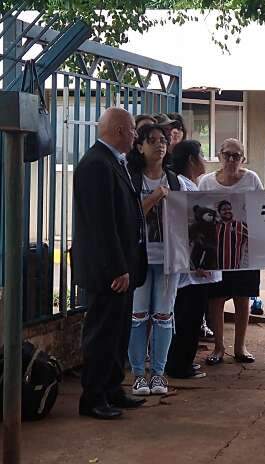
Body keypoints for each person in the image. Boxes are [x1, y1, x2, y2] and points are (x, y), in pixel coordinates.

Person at [73, 107, 147, 419]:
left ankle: (113, 388)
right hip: (108, 270)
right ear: (118, 130)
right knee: (102, 333)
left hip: (122, 266)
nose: (135, 135)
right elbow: (101, 224)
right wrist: (118, 267)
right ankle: (93, 397)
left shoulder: (115, 162)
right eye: (132, 130)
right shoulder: (96, 164)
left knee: (118, 332)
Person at [126, 124, 184, 396]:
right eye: (152, 140)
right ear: (139, 146)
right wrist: (154, 197)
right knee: (138, 317)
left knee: (163, 316)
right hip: (138, 258)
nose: (159, 145)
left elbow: (191, 217)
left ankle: (159, 373)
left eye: (163, 140)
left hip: (168, 259)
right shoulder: (131, 178)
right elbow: (127, 215)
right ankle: (138, 374)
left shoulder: (176, 181)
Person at [199, 138, 263, 365]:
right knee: (215, 299)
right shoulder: (206, 182)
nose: (231, 160)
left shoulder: (252, 179)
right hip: (216, 252)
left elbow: (261, 210)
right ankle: (218, 347)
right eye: (227, 155)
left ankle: (240, 346)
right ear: (219, 156)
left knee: (242, 298)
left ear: (243, 159)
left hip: (243, 251)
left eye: (237, 156)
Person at [165, 139, 222, 379]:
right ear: (191, 160)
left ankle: (182, 361)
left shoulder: (187, 184)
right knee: (188, 315)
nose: (205, 161)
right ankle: (180, 365)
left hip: (192, 264)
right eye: (201, 156)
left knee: (191, 314)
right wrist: (195, 262)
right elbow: (186, 228)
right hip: (191, 266)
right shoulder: (184, 186)